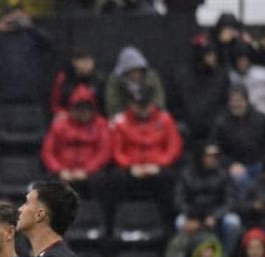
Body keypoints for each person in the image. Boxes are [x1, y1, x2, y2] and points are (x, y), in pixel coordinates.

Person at [109, 86, 183, 220]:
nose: (142, 109)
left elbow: (174, 147)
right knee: (115, 178)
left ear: (152, 104)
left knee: (169, 178)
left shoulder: (165, 119)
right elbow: (116, 151)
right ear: (131, 104)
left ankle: (166, 222)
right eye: (138, 105)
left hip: (157, 167)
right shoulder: (120, 122)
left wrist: (158, 165)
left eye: (146, 105)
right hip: (131, 168)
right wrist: (131, 167)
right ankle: (121, 221)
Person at [210, 86, 265, 189]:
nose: (236, 104)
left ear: (247, 101)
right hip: (236, 165)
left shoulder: (261, 118)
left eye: (239, 100)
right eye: (233, 101)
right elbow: (214, 148)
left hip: (261, 163)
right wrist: (230, 164)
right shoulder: (221, 122)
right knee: (240, 179)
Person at [41, 84, 111, 197]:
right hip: (63, 170)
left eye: (87, 108)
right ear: (72, 108)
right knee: (49, 182)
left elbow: (104, 152)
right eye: (79, 108)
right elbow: (47, 152)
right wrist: (59, 170)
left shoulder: (101, 125)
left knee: (103, 180)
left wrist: (87, 170)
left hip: (90, 171)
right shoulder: (60, 124)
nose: (83, 112)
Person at [0, 3, 53, 105]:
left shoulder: (31, 34)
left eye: (18, 17)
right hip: (3, 88)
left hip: (30, 89)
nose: (15, 21)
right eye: (12, 16)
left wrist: (30, 26)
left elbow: (48, 42)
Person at [174, 143, 241, 257]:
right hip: (193, 214)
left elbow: (230, 200)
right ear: (201, 157)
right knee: (180, 222)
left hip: (216, 213)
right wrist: (193, 217)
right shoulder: (187, 174)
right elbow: (179, 199)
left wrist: (216, 216)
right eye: (209, 156)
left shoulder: (223, 174)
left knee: (233, 222)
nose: (212, 159)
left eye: (215, 156)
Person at [176, 38, 231, 146]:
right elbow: (177, 103)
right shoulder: (184, 76)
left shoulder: (222, 76)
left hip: (215, 130)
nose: (213, 58)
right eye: (209, 55)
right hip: (190, 131)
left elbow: (225, 102)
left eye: (214, 54)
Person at [105, 46, 166, 118]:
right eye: (132, 71)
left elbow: (159, 99)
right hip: (126, 119)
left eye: (138, 71)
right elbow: (113, 107)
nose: (135, 75)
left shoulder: (152, 78)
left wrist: (149, 109)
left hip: (151, 116)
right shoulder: (115, 82)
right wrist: (132, 111)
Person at [51, 47, 105, 116]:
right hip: (68, 117)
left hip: (93, 119)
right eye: (83, 60)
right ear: (74, 62)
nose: (87, 64)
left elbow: (103, 107)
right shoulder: (63, 78)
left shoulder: (99, 80)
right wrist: (62, 113)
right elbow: (55, 104)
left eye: (90, 60)